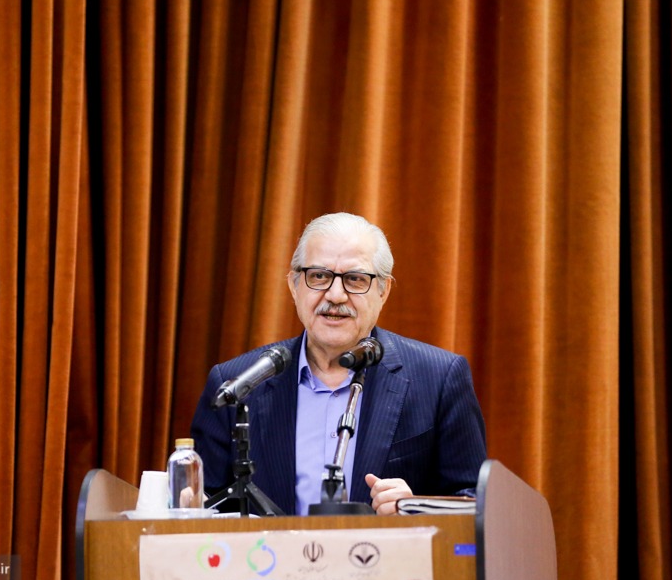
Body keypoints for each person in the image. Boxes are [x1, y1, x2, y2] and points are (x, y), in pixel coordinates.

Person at [191, 212, 487, 516]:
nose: (335, 295)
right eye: (319, 276)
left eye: (355, 279)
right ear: (294, 285)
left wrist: (415, 508)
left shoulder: (438, 379)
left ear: (383, 291)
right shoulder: (237, 383)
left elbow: (475, 506)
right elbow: (202, 507)